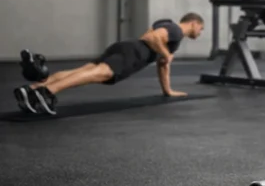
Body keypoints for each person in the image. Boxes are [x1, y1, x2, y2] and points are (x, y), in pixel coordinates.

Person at [13, 13, 205, 116]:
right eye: (201, 29)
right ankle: (47, 92)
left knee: (84, 70)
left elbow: (163, 65)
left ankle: (34, 88)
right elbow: (153, 37)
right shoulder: (177, 31)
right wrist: (166, 53)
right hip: (137, 52)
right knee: (99, 74)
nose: (200, 33)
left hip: (126, 46)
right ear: (194, 23)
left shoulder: (168, 25)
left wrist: (168, 91)